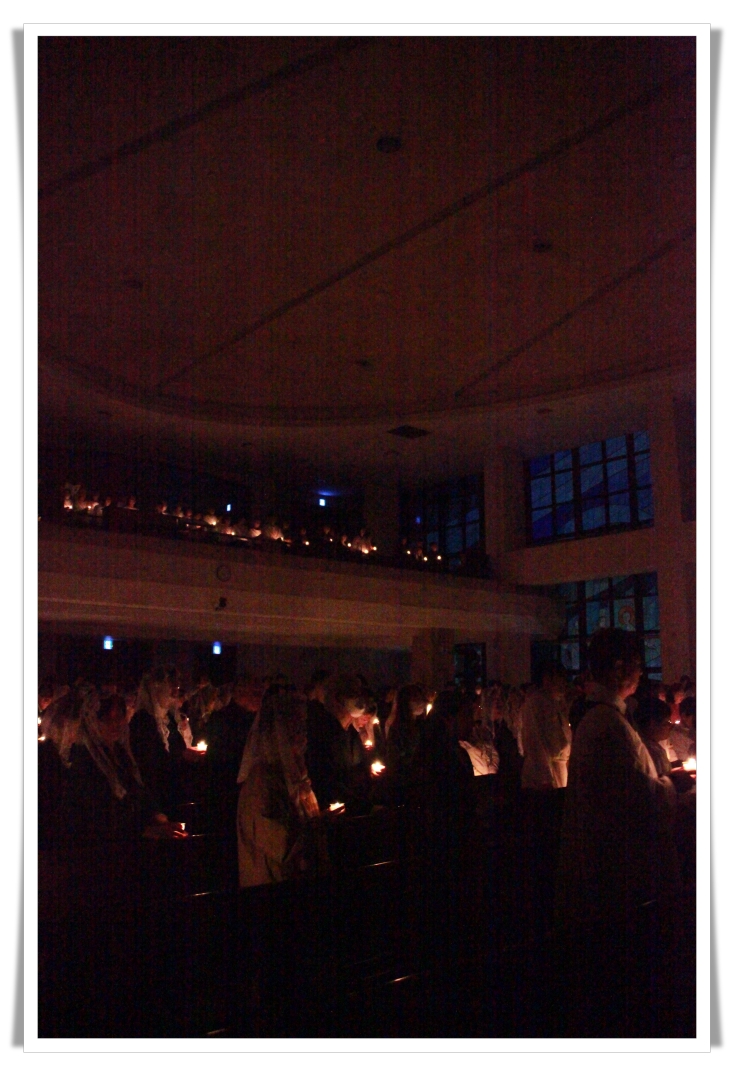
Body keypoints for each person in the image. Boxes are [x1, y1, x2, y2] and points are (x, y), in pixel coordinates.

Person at [554, 628, 682, 1037]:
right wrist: (671, 786)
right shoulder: (606, 725)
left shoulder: (608, 719)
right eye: (637, 664)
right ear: (618, 668)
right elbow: (637, 800)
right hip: (614, 877)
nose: (641, 673)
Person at [236, 688, 320, 887]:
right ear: (279, 732)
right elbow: (281, 847)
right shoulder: (262, 782)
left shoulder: (292, 774)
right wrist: (319, 824)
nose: (304, 737)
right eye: (297, 729)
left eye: (304, 728)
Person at [305, 674, 371, 813]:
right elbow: (325, 777)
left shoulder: (351, 732)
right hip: (337, 810)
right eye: (353, 694)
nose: (360, 699)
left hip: (355, 806)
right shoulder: (322, 732)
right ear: (337, 698)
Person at [520, 666, 572, 790]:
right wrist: (545, 778)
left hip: (560, 767)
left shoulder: (557, 703)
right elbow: (534, 740)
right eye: (560, 678)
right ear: (547, 679)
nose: (563, 684)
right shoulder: (536, 702)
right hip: (545, 771)